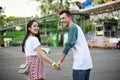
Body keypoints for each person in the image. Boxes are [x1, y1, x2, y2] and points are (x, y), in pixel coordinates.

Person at [57, 10, 93, 80]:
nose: (61, 20)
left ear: (70, 17)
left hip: (80, 65)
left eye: (63, 18)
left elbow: (69, 44)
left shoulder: (73, 28)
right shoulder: (76, 27)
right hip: (86, 64)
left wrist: (60, 61)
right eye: (60, 19)